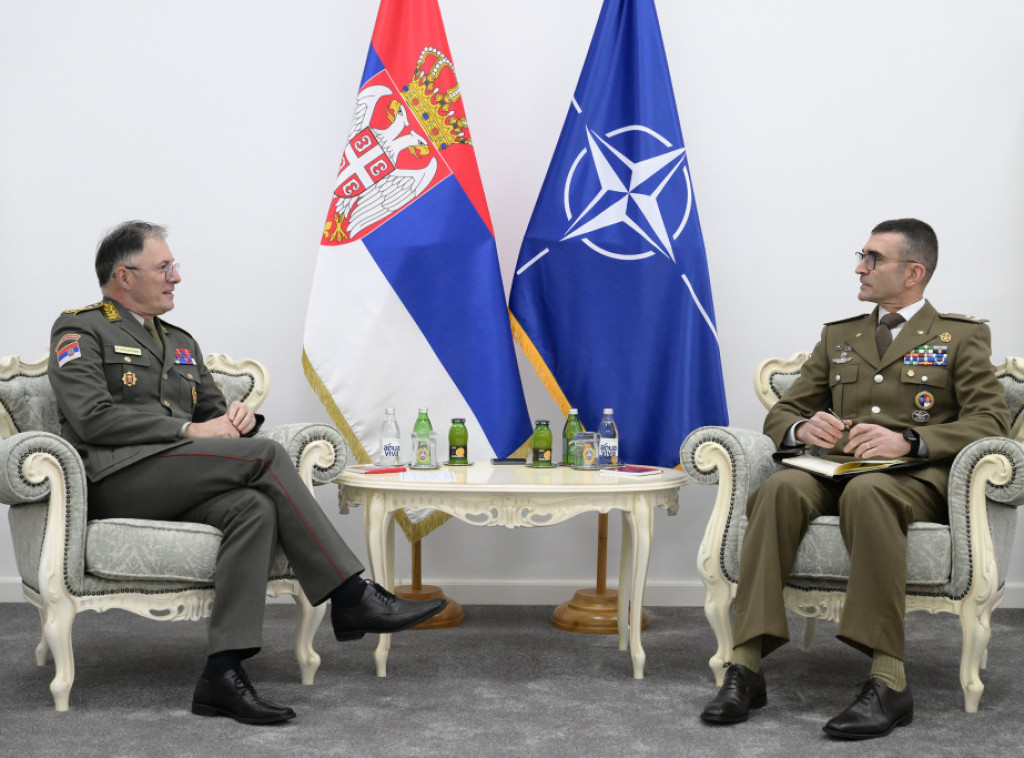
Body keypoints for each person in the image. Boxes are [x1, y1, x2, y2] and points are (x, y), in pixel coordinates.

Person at [48, 221, 447, 725]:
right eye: (163, 267)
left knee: (253, 507)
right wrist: (191, 431)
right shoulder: (81, 329)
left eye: (174, 267)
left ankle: (222, 674)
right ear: (124, 276)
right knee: (266, 457)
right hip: (118, 480)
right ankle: (351, 596)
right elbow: (92, 418)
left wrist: (239, 419)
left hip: (179, 476)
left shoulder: (180, 341)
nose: (176, 277)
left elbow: (215, 413)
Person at [699, 219, 1010, 739]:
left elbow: (991, 421)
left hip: (912, 480)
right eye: (861, 256)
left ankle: (889, 681)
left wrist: (909, 440)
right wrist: (802, 427)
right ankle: (746, 666)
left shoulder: (960, 336)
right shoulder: (840, 335)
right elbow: (787, 410)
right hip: (835, 470)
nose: (859, 268)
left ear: (913, 272)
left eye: (873, 258)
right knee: (778, 489)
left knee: (870, 492)